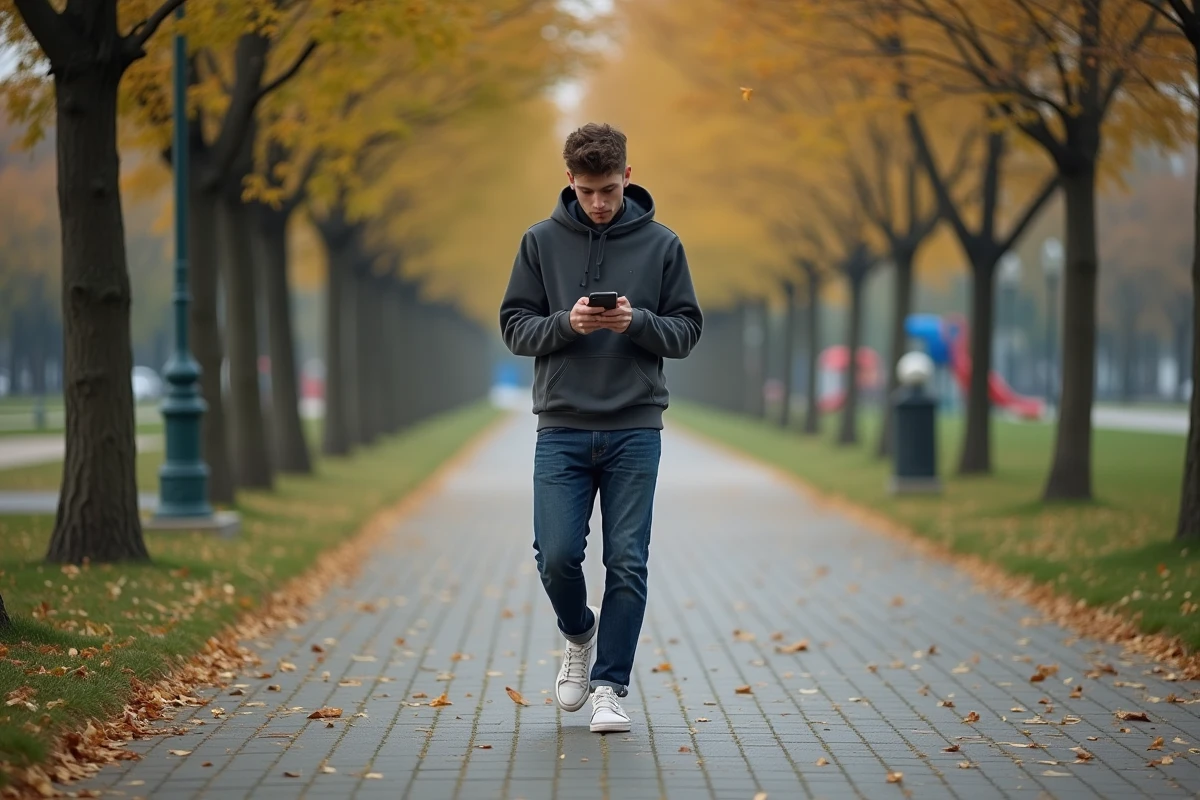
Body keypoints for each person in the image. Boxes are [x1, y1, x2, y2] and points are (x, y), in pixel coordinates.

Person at [499, 122, 703, 733]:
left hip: (635, 428)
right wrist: (568, 326)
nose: (598, 202)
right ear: (569, 181)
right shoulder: (539, 243)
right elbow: (515, 327)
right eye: (587, 191)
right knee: (557, 555)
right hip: (560, 426)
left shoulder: (664, 245)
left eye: (609, 189)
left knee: (628, 561)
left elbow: (687, 332)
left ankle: (610, 686)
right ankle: (579, 633)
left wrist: (636, 322)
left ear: (628, 177)